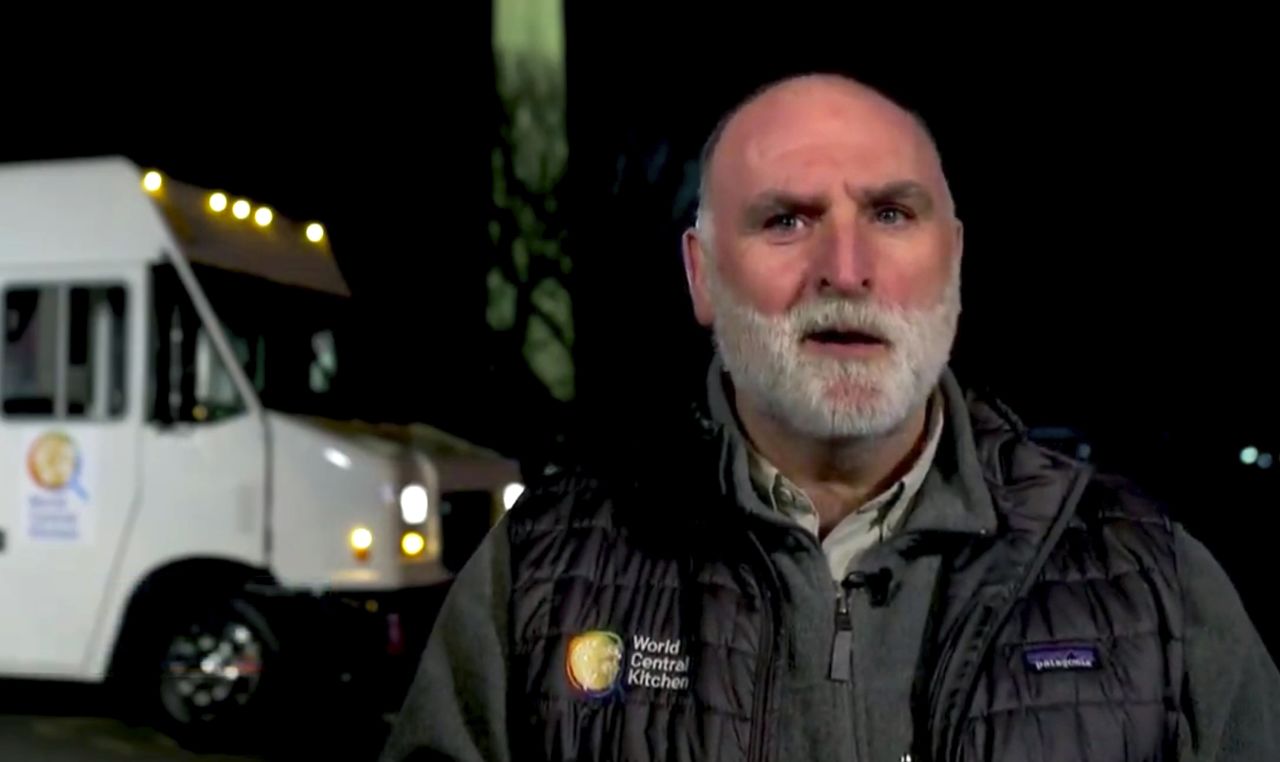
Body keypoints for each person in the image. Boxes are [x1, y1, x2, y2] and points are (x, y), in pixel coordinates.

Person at [382, 73, 1280, 761]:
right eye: (786, 220)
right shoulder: (538, 572)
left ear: (954, 265)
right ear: (701, 275)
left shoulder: (1152, 580)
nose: (845, 268)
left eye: (891, 214)